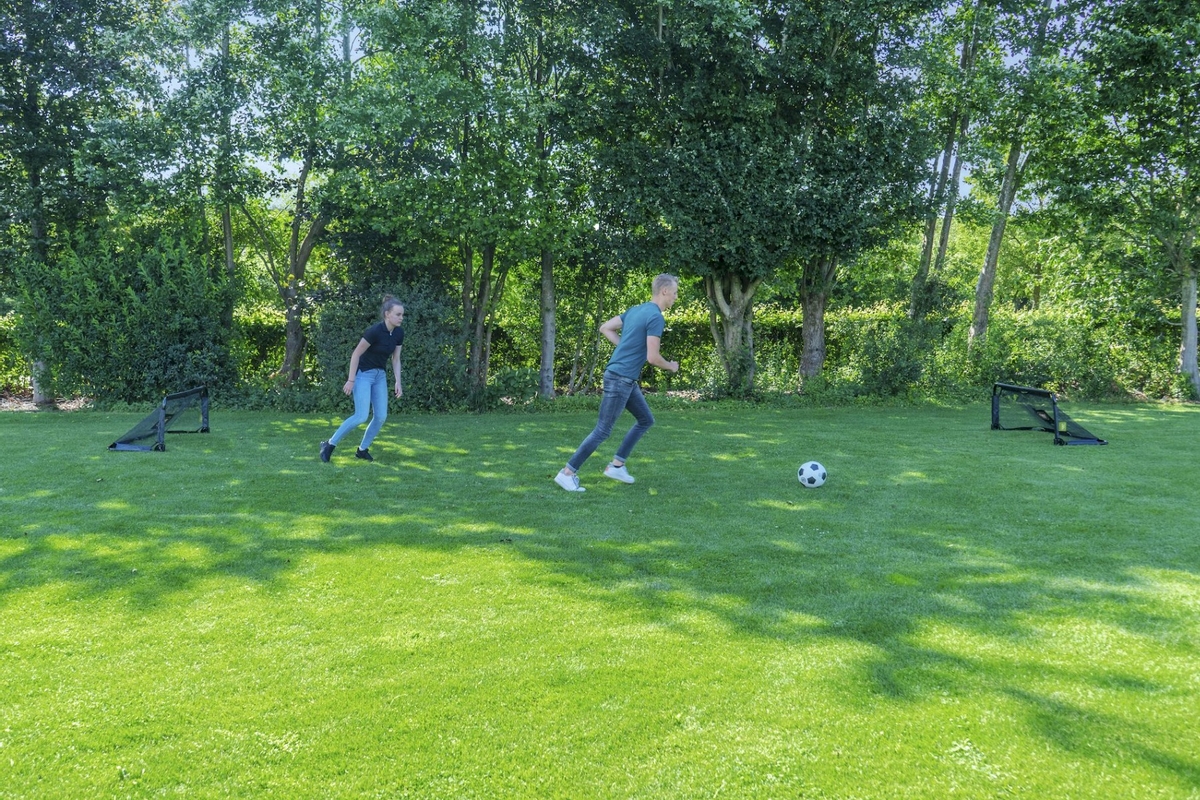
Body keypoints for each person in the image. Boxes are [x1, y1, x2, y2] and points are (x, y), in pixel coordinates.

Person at [554, 274, 680, 492]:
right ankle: (567, 473)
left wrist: (624, 348)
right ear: (664, 291)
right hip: (620, 379)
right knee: (603, 430)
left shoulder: (635, 310)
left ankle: (617, 465)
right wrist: (671, 366)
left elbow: (605, 328)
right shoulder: (656, 317)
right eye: (675, 293)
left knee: (645, 419)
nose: (676, 298)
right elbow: (652, 357)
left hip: (624, 379)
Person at [320, 296, 404, 463]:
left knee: (381, 416)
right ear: (387, 314)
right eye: (398, 314)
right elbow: (356, 354)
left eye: (402, 315)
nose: (401, 318)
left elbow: (396, 359)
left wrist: (398, 381)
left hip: (380, 376)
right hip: (364, 374)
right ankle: (329, 444)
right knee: (360, 416)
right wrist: (351, 380)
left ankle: (362, 450)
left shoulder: (399, 333)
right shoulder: (374, 331)